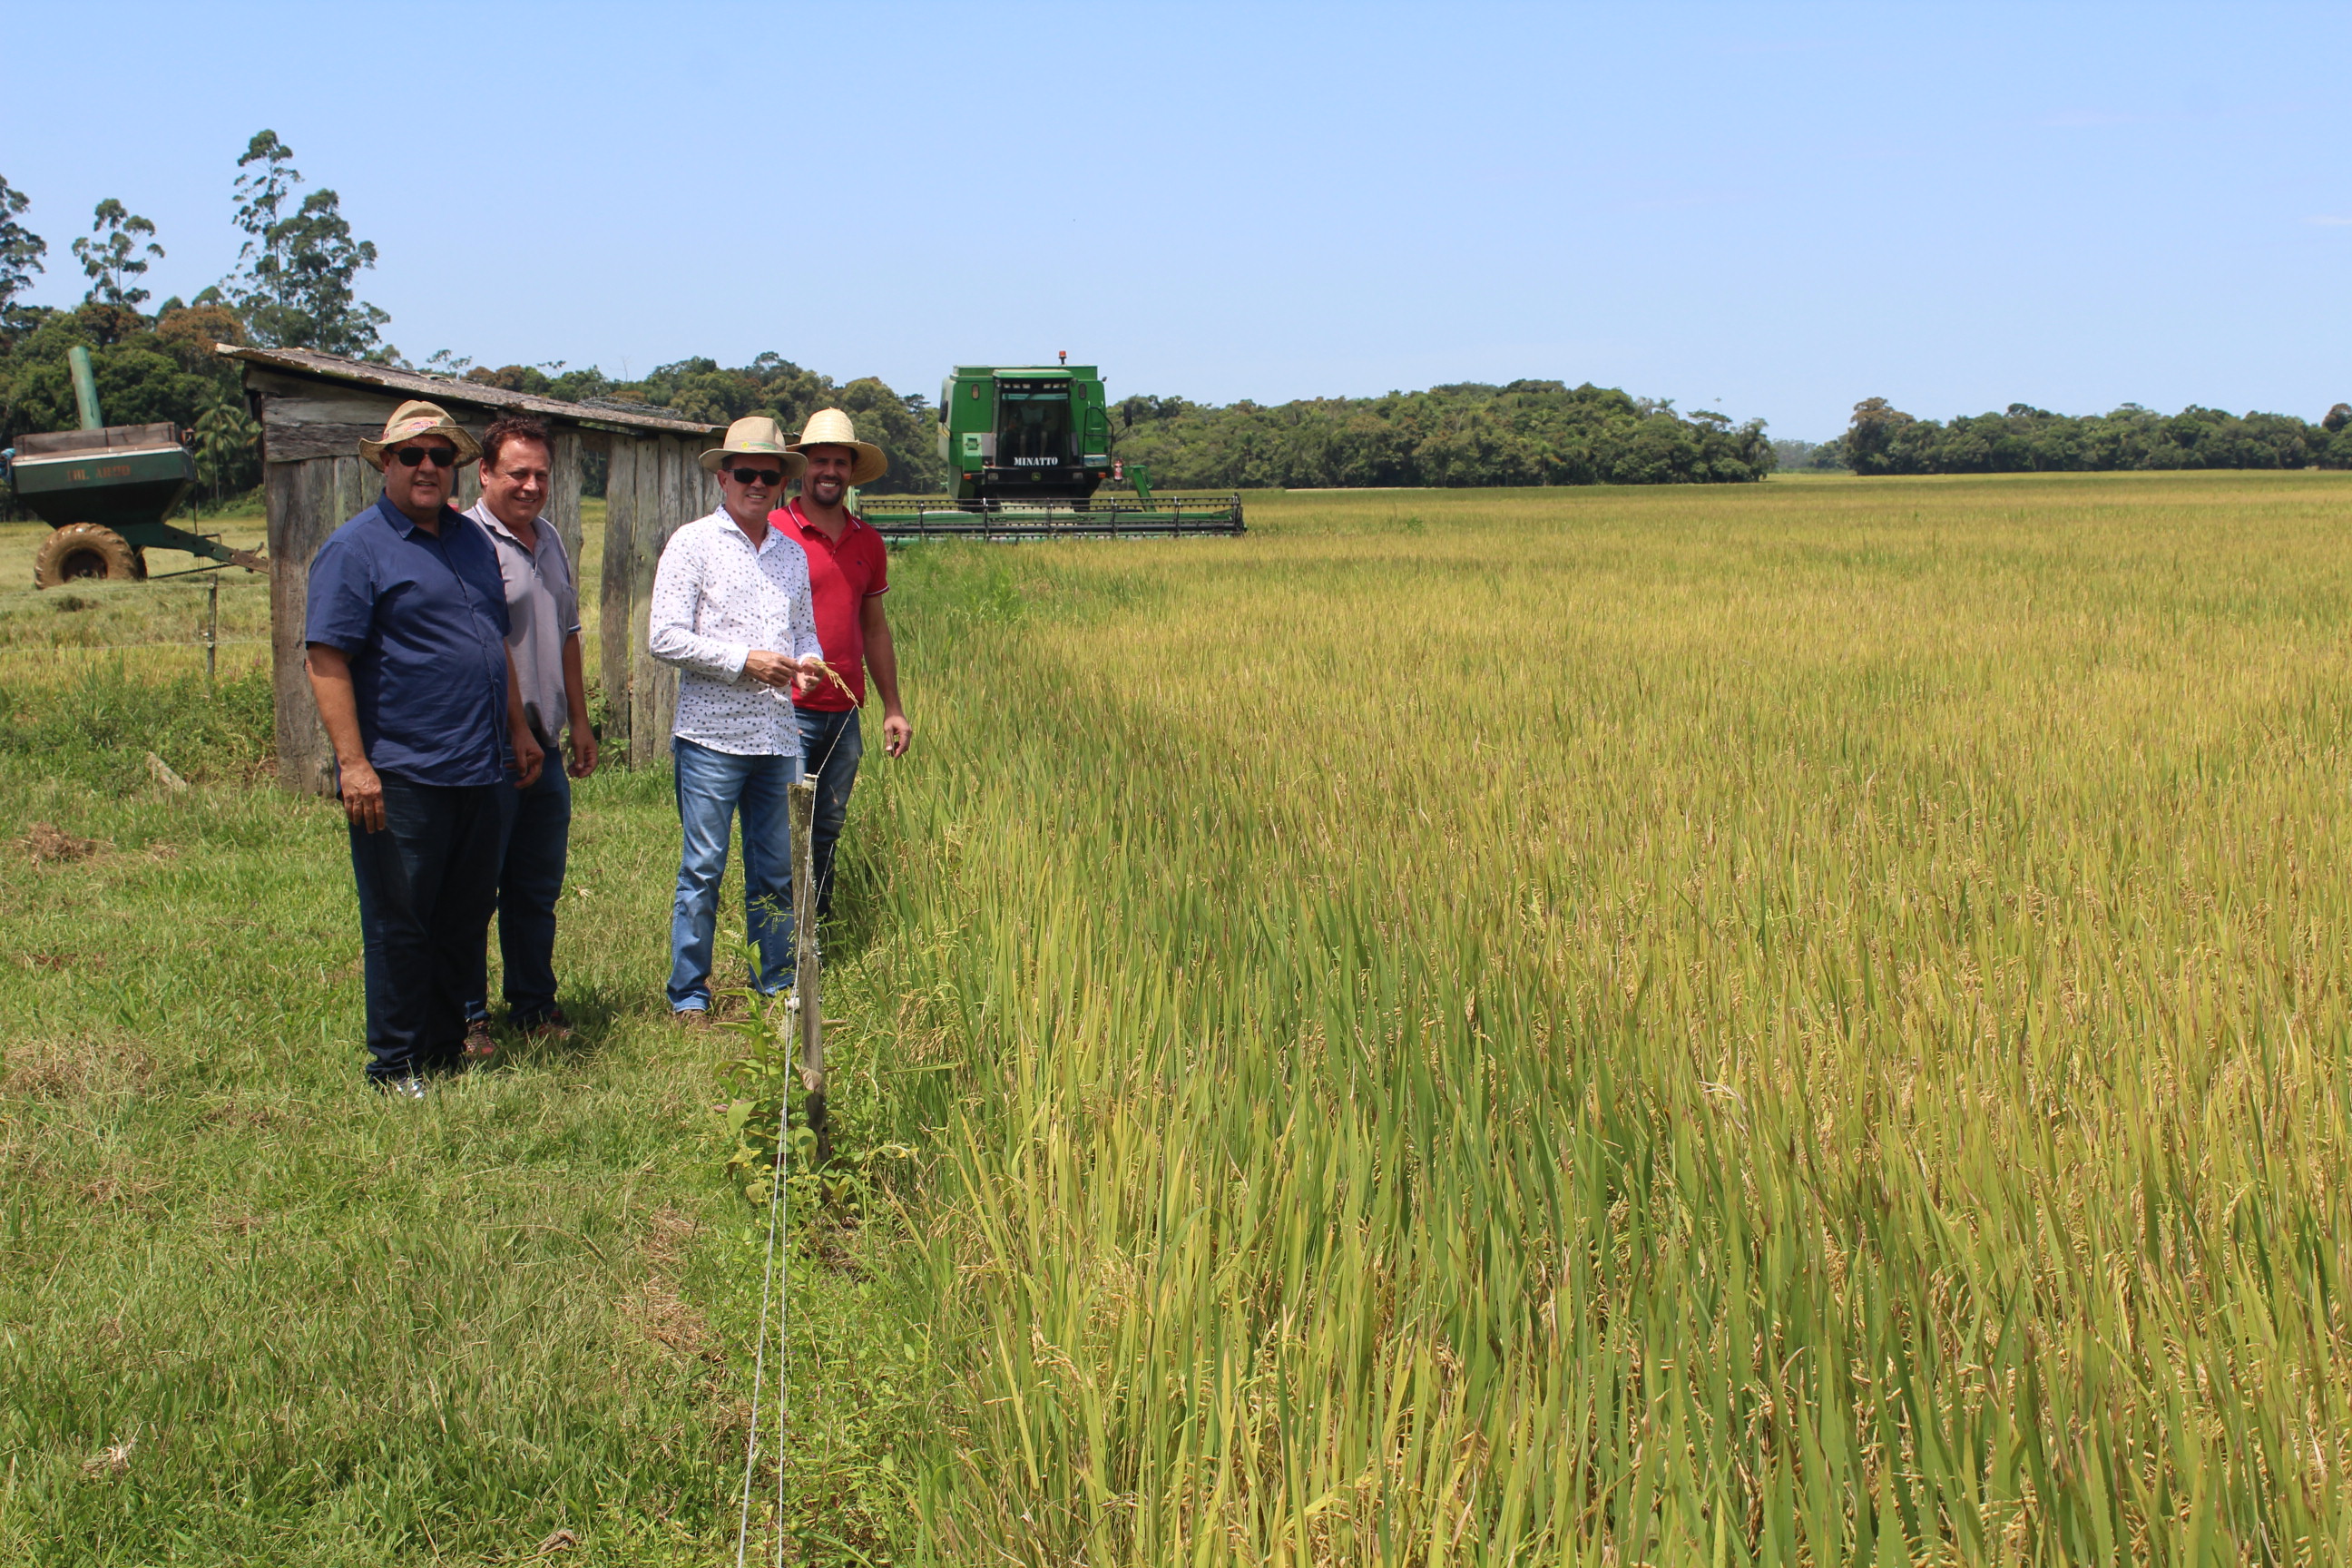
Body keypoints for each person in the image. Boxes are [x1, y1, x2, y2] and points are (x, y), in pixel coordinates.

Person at [304, 401, 544, 1097]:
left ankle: (442, 1049)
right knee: (400, 920)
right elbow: (326, 658)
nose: (428, 468)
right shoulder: (356, 548)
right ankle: (394, 1063)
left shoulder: (470, 541)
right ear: (386, 464)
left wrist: (520, 731)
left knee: (463, 917)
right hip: (403, 771)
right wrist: (354, 764)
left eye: (442, 456)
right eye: (413, 456)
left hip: (482, 765)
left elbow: (494, 642)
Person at [647, 416, 826, 1021]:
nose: (756, 484)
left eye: (768, 476)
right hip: (710, 737)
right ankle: (689, 996)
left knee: (775, 872)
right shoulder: (692, 544)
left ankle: (773, 983)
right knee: (703, 868)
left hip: (777, 736)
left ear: (781, 484)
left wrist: (807, 664)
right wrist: (742, 661)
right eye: (745, 473)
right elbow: (663, 637)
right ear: (722, 477)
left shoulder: (791, 557)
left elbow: (805, 632)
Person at [458, 414, 597, 1056]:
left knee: (536, 886)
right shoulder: (464, 541)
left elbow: (568, 633)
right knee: (473, 888)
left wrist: (579, 719)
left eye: (541, 473)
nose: (531, 484)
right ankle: (467, 1015)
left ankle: (534, 1004)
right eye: (517, 473)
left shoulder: (548, 538)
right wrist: (514, 728)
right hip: (486, 745)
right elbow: (483, 645)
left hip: (545, 742)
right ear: (485, 473)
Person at [779, 408, 911, 925]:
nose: (829, 471)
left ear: (851, 472)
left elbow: (874, 629)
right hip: (785, 709)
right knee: (788, 825)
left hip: (844, 711)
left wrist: (892, 707)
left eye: (839, 462)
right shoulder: (774, 529)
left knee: (828, 824)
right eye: (819, 462)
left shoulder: (867, 541)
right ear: (802, 468)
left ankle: (820, 928)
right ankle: (785, 941)